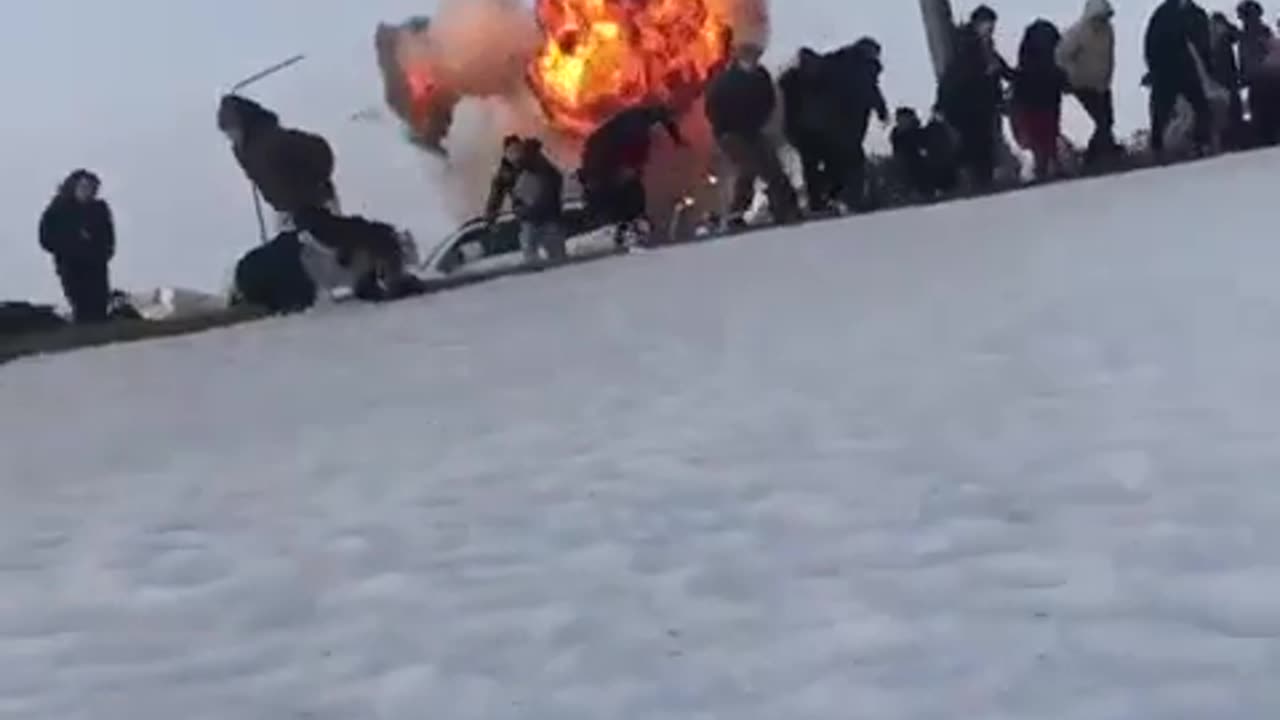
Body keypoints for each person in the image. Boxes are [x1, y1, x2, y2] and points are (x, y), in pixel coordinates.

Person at [217, 95, 413, 296]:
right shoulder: (246, 150)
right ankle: (369, 263)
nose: (232, 136)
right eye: (228, 133)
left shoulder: (271, 140)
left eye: (232, 130)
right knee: (326, 238)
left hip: (309, 199)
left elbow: (317, 150)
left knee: (327, 234)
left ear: (243, 124)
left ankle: (382, 247)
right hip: (290, 206)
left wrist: (315, 180)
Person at [705, 42, 799, 225]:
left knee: (773, 167)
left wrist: (760, 121)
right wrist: (724, 126)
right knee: (748, 167)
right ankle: (736, 213)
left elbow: (768, 100)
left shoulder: (761, 76)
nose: (753, 60)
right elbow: (712, 106)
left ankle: (784, 208)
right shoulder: (726, 79)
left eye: (756, 56)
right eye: (749, 56)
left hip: (753, 130)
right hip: (730, 133)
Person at [578, 104, 685, 245]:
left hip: (604, 165)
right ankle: (618, 233)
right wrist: (632, 167)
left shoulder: (639, 118)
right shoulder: (635, 127)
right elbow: (634, 151)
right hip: (603, 168)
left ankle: (629, 227)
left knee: (629, 193)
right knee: (619, 201)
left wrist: (677, 140)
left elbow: (665, 120)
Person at [938, 5, 1012, 189]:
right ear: (978, 24)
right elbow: (961, 75)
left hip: (979, 104)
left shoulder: (983, 46)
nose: (991, 29)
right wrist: (987, 74)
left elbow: (1000, 69)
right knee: (977, 144)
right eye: (987, 24)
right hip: (968, 105)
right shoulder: (968, 45)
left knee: (980, 144)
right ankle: (968, 180)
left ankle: (977, 180)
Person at [820, 37, 890, 210]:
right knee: (853, 160)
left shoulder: (837, 63)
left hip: (832, 120)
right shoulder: (863, 69)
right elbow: (870, 91)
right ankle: (850, 198)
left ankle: (832, 196)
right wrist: (882, 111)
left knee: (838, 160)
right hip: (849, 121)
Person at [38, 170, 115, 324]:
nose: (88, 192)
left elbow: (109, 238)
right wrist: (69, 246)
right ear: (72, 187)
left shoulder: (99, 209)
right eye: (84, 187)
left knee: (99, 304)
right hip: (71, 266)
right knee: (81, 305)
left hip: (96, 266)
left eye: (92, 188)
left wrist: (103, 254)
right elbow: (46, 238)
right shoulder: (57, 210)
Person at [1145, 0, 1213, 158]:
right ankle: (1158, 148)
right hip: (1167, 70)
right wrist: (1154, 68)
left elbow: (1203, 41)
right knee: (1162, 110)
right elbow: (1151, 44)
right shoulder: (1165, 14)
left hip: (1182, 68)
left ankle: (1201, 143)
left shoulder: (1190, 13)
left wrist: (1207, 63)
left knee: (1200, 106)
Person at [1056, 0, 1120, 165]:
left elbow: (1108, 57)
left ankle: (1101, 153)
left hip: (1102, 84)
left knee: (1108, 120)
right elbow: (1061, 55)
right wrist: (1069, 76)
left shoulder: (1108, 32)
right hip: (1082, 83)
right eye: (1099, 18)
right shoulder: (1078, 32)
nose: (1102, 22)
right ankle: (1094, 157)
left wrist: (1107, 78)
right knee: (1102, 120)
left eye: (1105, 18)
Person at [486, 137, 567, 265]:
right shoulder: (505, 172)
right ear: (505, 153)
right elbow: (496, 196)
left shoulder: (536, 162)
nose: (515, 154)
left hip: (548, 216)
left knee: (558, 256)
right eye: (511, 151)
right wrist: (491, 217)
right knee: (530, 258)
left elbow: (556, 178)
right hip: (528, 218)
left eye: (517, 149)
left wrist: (551, 199)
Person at [779, 47, 838, 212]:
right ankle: (817, 202)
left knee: (829, 163)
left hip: (819, 130)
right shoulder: (793, 81)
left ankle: (824, 197)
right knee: (811, 166)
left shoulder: (821, 80)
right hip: (804, 131)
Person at [1012, 19, 1069, 180]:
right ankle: (1051, 164)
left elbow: (1020, 78)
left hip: (1032, 101)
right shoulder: (1051, 57)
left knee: (1039, 137)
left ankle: (1043, 166)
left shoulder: (1027, 57)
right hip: (1047, 100)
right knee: (1049, 133)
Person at [890, 106, 959, 199]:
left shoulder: (921, 133)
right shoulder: (898, 137)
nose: (902, 122)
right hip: (912, 176)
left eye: (905, 119)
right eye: (900, 119)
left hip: (932, 173)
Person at [1237, 1, 1280, 144]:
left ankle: (1266, 138)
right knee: (1270, 111)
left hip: (1261, 79)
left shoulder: (1249, 35)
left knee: (1263, 112)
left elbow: (1247, 59)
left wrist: (1243, 77)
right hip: (1270, 77)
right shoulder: (1263, 32)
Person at [1209, 11, 1248, 147]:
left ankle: (1228, 140)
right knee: (1233, 108)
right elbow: (1238, 35)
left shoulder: (1210, 35)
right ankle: (1236, 139)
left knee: (1226, 109)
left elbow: (1237, 36)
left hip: (1218, 78)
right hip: (1227, 76)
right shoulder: (1221, 34)